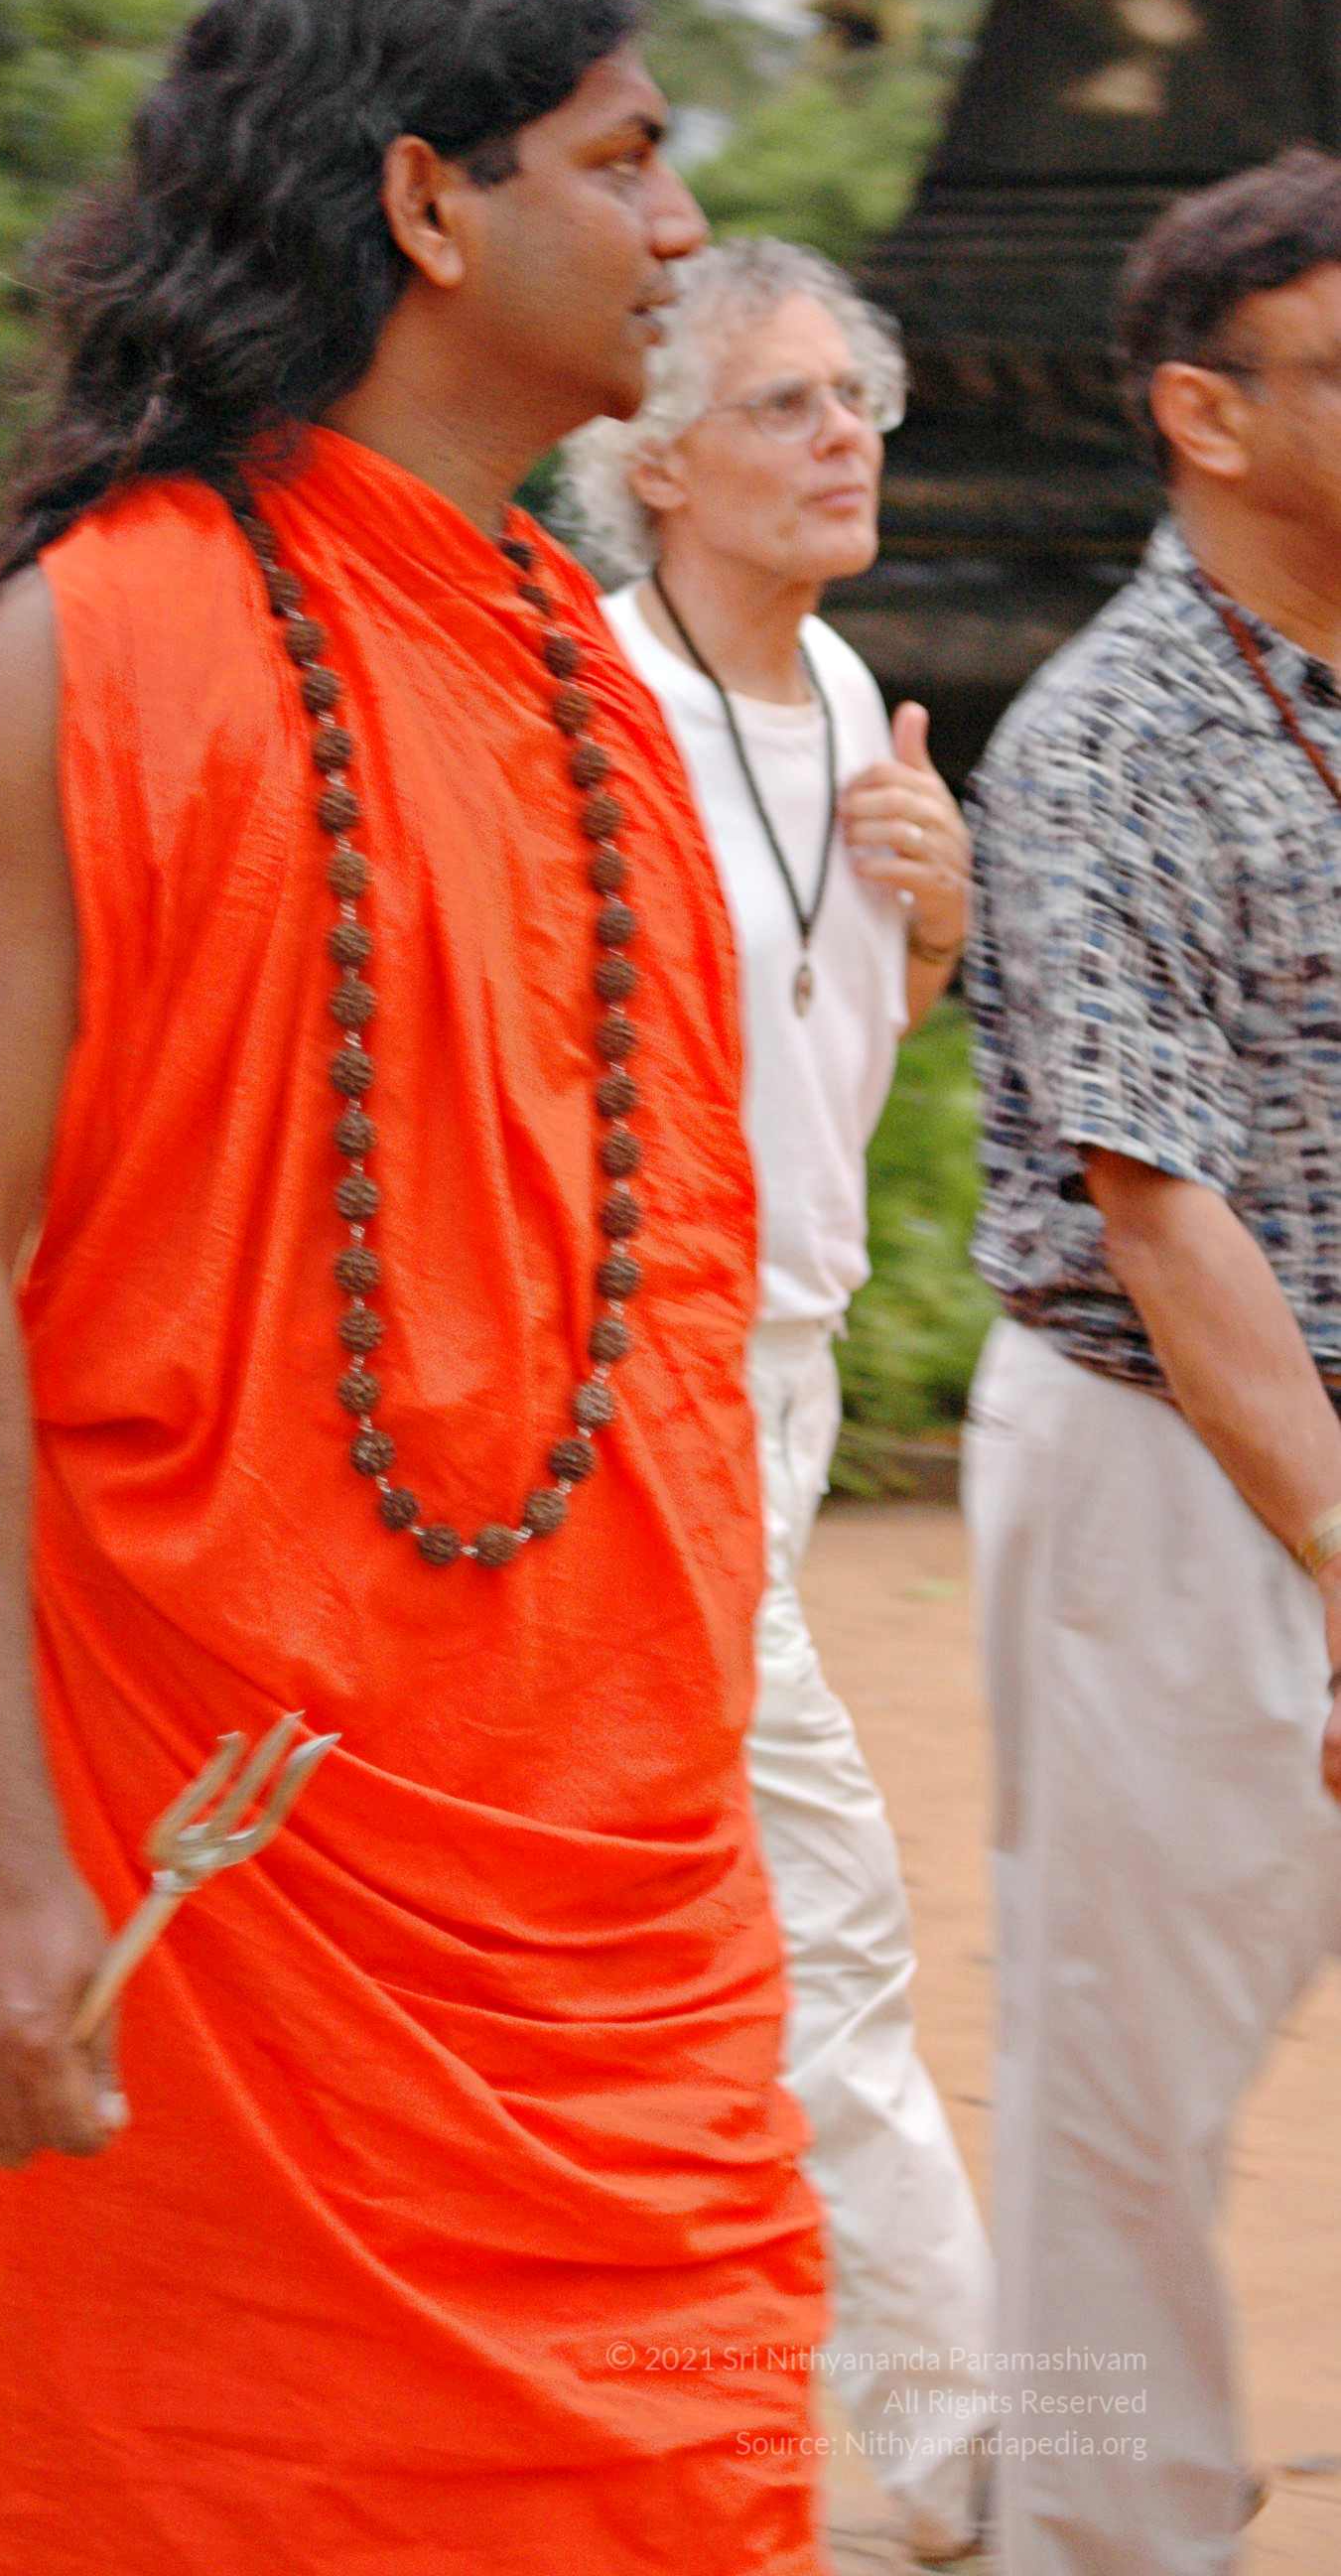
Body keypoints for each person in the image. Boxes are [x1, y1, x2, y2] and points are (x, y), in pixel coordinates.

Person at [0, 0, 832, 2576]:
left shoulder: (588, 678)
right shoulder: (79, 657)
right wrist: (6, 1872)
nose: (679, 232)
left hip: (605, 1877)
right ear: (429, 204)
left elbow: (646, 1289)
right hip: (226, 1863)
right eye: (626, 161)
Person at [566, 239, 996, 2568]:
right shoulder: (586, 704)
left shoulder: (836, 687)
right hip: (642, 1394)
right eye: (788, 406)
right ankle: (976, 2453)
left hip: (788, 1375)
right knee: (821, 1909)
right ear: (654, 465)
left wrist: (928, 930)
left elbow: (816, 1061)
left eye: (860, 401)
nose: (846, 439)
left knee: (691, 1915)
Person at [964, 146, 1341, 2576]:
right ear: (1208, 412)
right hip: (1171, 1478)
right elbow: (1161, 1204)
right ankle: (1113, 2539)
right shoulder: (1107, 743)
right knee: (1123, 2082)